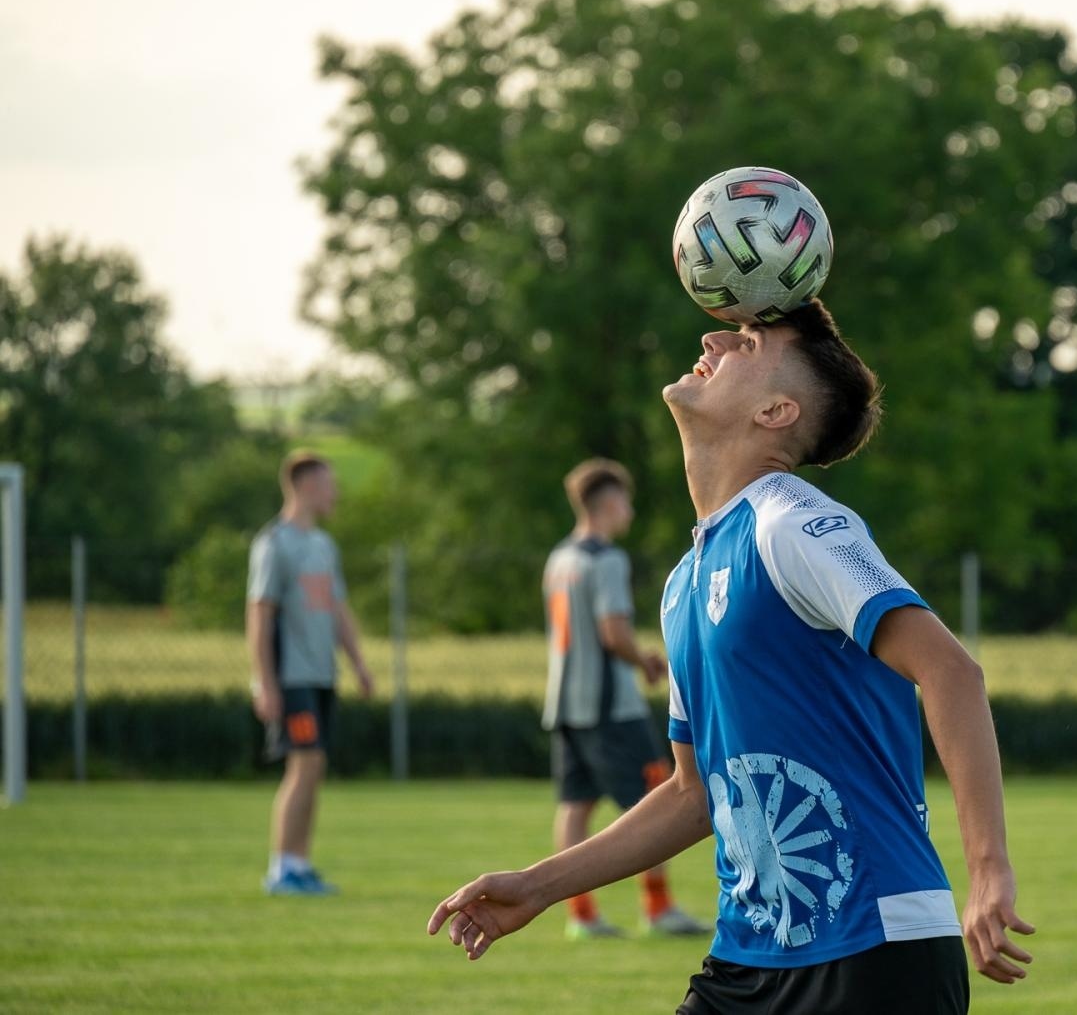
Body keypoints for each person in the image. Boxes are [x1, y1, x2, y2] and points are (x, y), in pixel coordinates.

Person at [429, 303, 1033, 1013]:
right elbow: (694, 795)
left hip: (876, 953)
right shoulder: (685, 580)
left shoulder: (796, 523)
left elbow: (951, 669)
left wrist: (988, 870)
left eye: (746, 342)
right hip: (747, 958)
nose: (712, 339)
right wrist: (537, 885)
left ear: (777, 410)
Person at [542, 458, 709, 939]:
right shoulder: (607, 559)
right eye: (626, 501)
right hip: (609, 706)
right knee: (657, 795)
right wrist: (647, 661)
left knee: (575, 804)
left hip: (564, 704)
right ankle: (658, 909)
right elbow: (613, 633)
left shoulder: (560, 559)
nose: (629, 511)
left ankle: (581, 916)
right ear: (609, 503)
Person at [248, 450, 372, 895]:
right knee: (304, 764)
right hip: (291, 676)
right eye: (327, 483)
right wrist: (264, 682)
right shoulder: (273, 544)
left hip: (321, 675)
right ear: (303, 486)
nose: (335, 491)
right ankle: (282, 868)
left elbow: (337, 609)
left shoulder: (323, 545)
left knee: (314, 766)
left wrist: (358, 664)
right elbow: (259, 616)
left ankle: (299, 863)